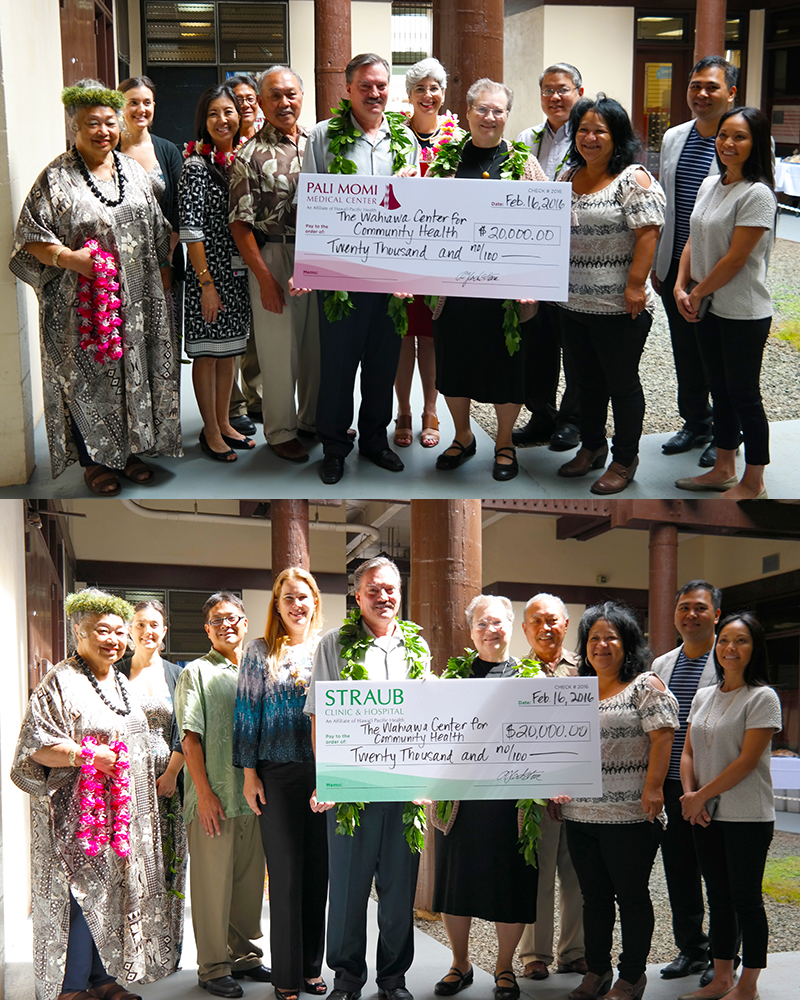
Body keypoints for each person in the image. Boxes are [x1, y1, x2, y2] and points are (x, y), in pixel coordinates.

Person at [9, 79, 181, 495]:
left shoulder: (133, 171)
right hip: (83, 305)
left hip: (138, 300)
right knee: (89, 380)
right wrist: (70, 259)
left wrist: (164, 272)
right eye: (92, 123)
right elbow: (29, 236)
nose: (103, 131)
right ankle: (95, 461)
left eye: (109, 122)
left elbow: (159, 229)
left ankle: (131, 451)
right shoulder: (56, 177)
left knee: (135, 372)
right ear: (75, 128)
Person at [11, 588, 175, 1000]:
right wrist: (86, 755)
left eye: (120, 632)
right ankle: (69, 987)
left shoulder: (120, 682)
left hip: (121, 814)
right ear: (78, 633)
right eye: (102, 631)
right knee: (78, 895)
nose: (113, 640)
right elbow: (34, 747)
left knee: (111, 893)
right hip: (75, 817)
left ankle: (102, 980)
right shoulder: (59, 681)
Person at [304, 557, 431, 1000]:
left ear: (400, 593)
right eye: (373, 590)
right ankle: (347, 978)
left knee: (398, 893)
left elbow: (427, 718)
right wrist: (328, 780)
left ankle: (393, 979)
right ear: (357, 597)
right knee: (347, 891)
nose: (383, 597)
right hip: (351, 788)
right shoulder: (334, 644)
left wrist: (427, 781)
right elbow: (319, 716)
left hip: (404, 791)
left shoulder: (417, 647)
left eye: (390, 589)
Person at [301, 53, 420, 485]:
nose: (374, 93)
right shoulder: (323, 136)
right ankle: (334, 447)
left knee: (382, 364)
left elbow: (418, 211)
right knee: (337, 365)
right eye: (365, 86)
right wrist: (309, 267)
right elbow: (307, 203)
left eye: (381, 85)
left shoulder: (405, 140)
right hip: (341, 273)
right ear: (348, 89)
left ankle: (374, 440)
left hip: (389, 274)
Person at [554, 602, 679, 1000]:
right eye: (594, 638)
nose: (602, 645)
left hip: (631, 816)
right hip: (580, 814)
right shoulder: (577, 689)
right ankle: (597, 972)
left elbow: (664, 736)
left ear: (627, 643)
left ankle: (632, 977)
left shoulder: (645, 685)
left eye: (611, 637)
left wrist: (654, 788)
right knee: (594, 900)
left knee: (632, 898)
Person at [427, 77, 547, 482]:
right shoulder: (445, 161)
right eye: (482, 109)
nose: (490, 117)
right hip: (454, 291)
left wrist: (534, 280)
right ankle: (463, 437)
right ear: (467, 112)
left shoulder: (523, 163)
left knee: (507, 370)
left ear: (507, 116)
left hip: (506, 294)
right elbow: (423, 220)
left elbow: (551, 222)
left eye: (499, 110)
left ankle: (504, 441)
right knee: (454, 366)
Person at [556, 96, 666, 495]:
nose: (590, 138)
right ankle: (592, 447)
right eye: (583, 130)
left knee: (621, 384)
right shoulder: (567, 176)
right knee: (585, 383)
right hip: (572, 304)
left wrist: (635, 285)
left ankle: (624, 459)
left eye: (599, 131)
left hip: (620, 307)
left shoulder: (633, 180)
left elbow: (649, 233)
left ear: (616, 136)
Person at [432, 595, 538, 1000]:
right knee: (455, 884)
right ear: (471, 631)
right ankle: (460, 962)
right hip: (462, 803)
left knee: (511, 884)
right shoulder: (450, 682)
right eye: (481, 624)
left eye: (497, 622)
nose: (490, 630)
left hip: (512, 804)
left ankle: (504, 966)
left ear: (512, 626)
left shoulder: (534, 681)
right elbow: (432, 738)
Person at [233, 568, 328, 1000]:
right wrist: (250, 773)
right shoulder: (259, 651)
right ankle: (286, 976)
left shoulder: (328, 648)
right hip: (276, 774)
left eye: (303, 596)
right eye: (288, 597)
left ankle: (311, 969)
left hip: (324, 775)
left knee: (318, 875)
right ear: (277, 604)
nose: (296, 604)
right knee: (287, 876)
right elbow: (246, 713)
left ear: (314, 601)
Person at [673, 106, 776, 500]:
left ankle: (754, 482)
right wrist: (681, 286)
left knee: (744, 395)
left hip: (743, 312)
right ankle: (723, 468)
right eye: (723, 135)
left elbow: (735, 259)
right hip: (708, 306)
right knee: (719, 389)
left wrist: (697, 293)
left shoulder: (757, 194)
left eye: (739, 137)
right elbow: (692, 237)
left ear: (756, 143)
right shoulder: (710, 184)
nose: (728, 143)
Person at [679, 612, 782, 1000]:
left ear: (755, 648)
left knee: (746, 901)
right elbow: (688, 752)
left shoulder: (762, 698)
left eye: (741, 641)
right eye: (724, 640)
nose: (730, 648)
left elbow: (746, 762)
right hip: (705, 814)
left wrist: (700, 796)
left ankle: (748, 985)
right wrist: (690, 797)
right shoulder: (704, 695)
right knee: (719, 900)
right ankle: (721, 978)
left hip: (747, 816)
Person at [174, 592, 270, 999]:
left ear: (245, 623)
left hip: (253, 798)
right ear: (207, 629)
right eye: (217, 620)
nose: (226, 625)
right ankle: (213, 967)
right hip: (214, 797)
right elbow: (189, 737)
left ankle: (244, 956)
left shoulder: (259, 669)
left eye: (233, 618)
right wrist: (204, 793)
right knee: (213, 889)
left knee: (248, 886)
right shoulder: (196, 673)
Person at [229, 65, 320, 464]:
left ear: (301, 97)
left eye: (291, 94)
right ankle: (281, 430)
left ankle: (312, 420)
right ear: (262, 103)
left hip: (318, 255)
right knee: (279, 350)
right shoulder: (248, 155)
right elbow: (240, 225)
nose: (285, 102)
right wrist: (265, 280)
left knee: (315, 346)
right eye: (275, 96)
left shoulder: (317, 142)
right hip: (275, 255)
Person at [654, 57, 737, 468]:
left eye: (712, 87)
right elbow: (664, 202)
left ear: (731, 93)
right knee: (685, 350)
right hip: (675, 264)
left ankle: (726, 434)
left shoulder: (742, 138)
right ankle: (695, 422)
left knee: (720, 356)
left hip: (720, 268)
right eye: (695, 86)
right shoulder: (674, 137)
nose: (702, 94)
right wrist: (658, 263)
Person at [179, 84, 253, 464]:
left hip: (237, 275)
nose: (222, 120)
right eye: (213, 113)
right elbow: (191, 232)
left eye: (228, 111)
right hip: (208, 277)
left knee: (229, 355)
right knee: (207, 355)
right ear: (203, 122)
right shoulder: (195, 167)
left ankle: (224, 422)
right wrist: (206, 284)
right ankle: (209, 431)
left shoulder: (238, 161)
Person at [514, 62, 585, 453]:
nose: (555, 97)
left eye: (563, 89)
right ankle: (541, 414)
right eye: (548, 90)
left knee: (573, 344)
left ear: (579, 92)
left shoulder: (589, 135)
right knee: (536, 343)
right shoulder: (526, 138)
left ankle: (572, 420)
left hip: (576, 257)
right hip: (535, 258)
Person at [652, 582, 721, 984]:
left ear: (716, 615)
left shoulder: (728, 661)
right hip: (671, 786)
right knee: (679, 871)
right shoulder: (661, 665)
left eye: (700, 608)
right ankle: (692, 950)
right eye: (683, 608)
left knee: (718, 874)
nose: (690, 615)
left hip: (712, 785)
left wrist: (703, 790)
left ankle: (724, 956)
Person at [393, 57, 460, 451]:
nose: (428, 95)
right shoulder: (393, 137)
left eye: (434, 88)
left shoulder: (458, 139)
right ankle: (403, 410)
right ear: (409, 94)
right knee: (403, 335)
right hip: (401, 250)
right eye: (420, 88)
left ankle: (430, 411)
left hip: (440, 252)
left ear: (443, 93)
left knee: (431, 336)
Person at [517, 594, 585, 982]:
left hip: (580, 792)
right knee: (537, 875)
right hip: (533, 795)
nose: (545, 628)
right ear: (525, 628)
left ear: (566, 624)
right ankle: (534, 955)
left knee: (578, 876)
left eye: (553, 620)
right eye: (537, 621)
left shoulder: (587, 669)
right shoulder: (514, 674)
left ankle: (575, 952)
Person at [119, 599, 187, 968]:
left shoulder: (177, 675)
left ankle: (166, 953)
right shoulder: (114, 672)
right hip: (125, 786)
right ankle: (132, 953)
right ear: (130, 630)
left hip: (167, 785)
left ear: (164, 631)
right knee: (131, 868)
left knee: (168, 864)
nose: (148, 631)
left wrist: (172, 773)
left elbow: (187, 728)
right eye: (140, 624)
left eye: (154, 624)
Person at [226, 72, 265, 437]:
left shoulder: (268, 140)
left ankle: (257, 396)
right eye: (238, 99)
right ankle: (234, 403)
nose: (246, 104)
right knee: (234, 327)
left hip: (260, 247)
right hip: (228, 250)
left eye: (250, 97)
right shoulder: (219, 143)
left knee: (256, 329)